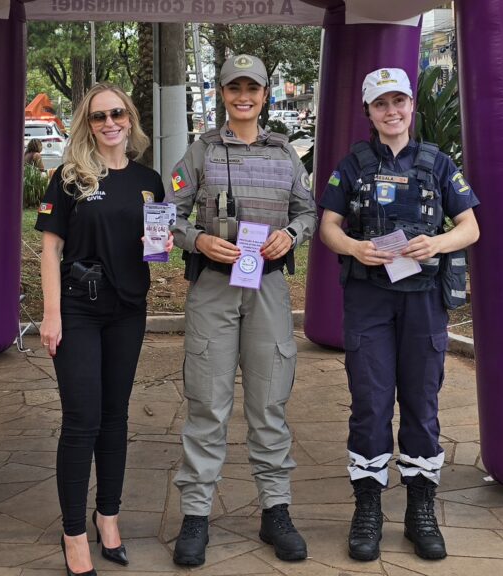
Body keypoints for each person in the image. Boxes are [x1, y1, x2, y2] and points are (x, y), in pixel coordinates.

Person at [318, 67, 480, 562]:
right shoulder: (353, 164)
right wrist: (355, 248)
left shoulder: (437, 163)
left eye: (399, 101)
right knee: (369, 402)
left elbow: (470, 226)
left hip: (423, 301)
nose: (391, 111)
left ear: (412, 106)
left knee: (421, 402)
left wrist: (438, 242)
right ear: (368, 112)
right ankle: (368, 508)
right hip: (368, 299)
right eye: (381, 104)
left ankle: (419, 510)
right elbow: (328, 226)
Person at [167, 54, 317, 567]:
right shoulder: (201, 151)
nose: (243, 97)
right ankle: (196, 514)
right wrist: (199, 240)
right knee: (207, 403)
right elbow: (165, 215)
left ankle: (276, 510)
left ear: (265, 95)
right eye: (235, 88)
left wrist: (290, 235)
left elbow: (308, 211)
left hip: (267, 289)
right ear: (223, 93)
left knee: (269, 403)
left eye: (252, 88)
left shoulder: (285, 152)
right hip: (213, 287)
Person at [36, 82, 169, 576]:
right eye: (98, 117)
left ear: (130, 118)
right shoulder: (70, 177)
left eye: (117, 113)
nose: (109, 123)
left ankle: (107, 517)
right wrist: (51, 314)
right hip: (78, 310)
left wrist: (160, 245)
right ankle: (73, 533)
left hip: (128, 309)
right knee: (82, 420)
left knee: (115, 417)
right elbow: (50, 248)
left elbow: (154, 249)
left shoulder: (149, 180)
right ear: (87, 125)